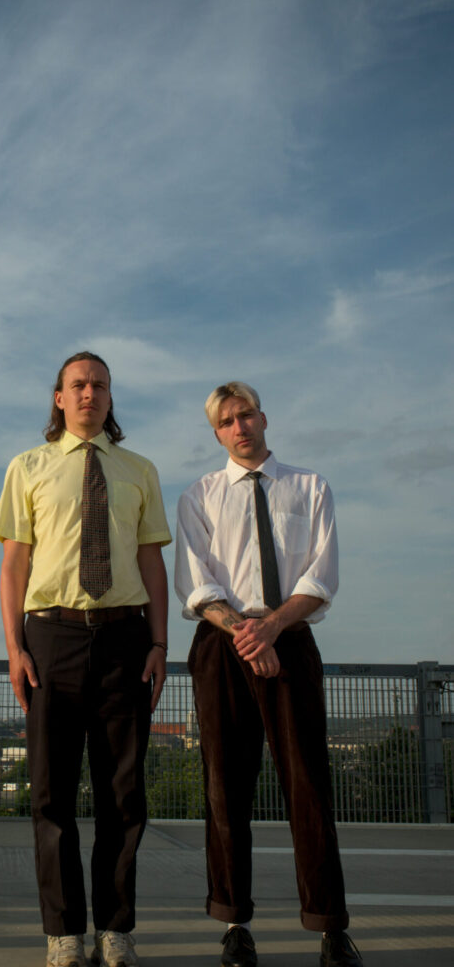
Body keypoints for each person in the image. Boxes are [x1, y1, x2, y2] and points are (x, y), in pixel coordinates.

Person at [0, 352, 171, 967]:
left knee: (123, 794)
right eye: (78, 384)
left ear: (110, 397)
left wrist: (159, 643)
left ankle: (115, 930)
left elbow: (151, 560)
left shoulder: (139, 470)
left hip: (125, 640)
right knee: (51, 794)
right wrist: (14, 648)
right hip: (51, 638)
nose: (89, 393)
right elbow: (14, 564)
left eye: (99, 385)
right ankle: (63, 933)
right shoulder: (28, 467)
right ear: (59, 398)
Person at [174, 382, 363, 967]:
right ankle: (235, 924)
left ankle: (330, 928)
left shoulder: (310, 487)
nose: (241, 427)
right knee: (225, 786)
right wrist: (247, 635)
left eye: (248, 415)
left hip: (291, 640)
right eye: (228, 421)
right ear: (217, 433)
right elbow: (196, 584)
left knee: (308, 784)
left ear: (264, 418)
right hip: (222, 646)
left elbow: (321, 578)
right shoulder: (199, 497)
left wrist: (273, 627)